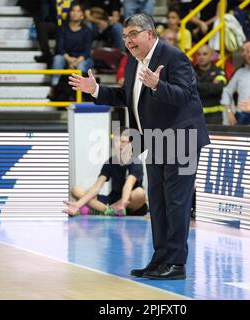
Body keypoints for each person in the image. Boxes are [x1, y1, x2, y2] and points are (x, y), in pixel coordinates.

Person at [68, 13, 210, 280]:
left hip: (181, 139)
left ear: (150, 34)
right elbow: (126, 96)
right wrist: (96, 90)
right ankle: (160, 260)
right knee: (157, 202)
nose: (128, 40)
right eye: (125, 36)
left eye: (133, 34)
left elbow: (185, 96)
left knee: (177, 202)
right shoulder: (133, 63)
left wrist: (158, 86)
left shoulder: (173, 56)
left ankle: (176, 264)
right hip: (154, 140)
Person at [63, 127, 148, 217]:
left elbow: (128, 185)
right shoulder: (111, 161)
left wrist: (123, 203)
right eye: (116, 141)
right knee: (76, 190)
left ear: (130, 144)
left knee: (140, 193)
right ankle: (108, 211)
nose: (119, 145)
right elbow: (97, 187)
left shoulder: (136, 162)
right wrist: (77, 204)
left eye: (123, 142)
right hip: (112, 199)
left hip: (128, 203)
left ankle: (101, 210)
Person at [194, 44, 227, 124]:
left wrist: (196, 85)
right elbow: (188, 89)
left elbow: (218, 89)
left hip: (215, 117)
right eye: (199, 54)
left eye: (205, 54)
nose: (201, 57)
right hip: (195, 116)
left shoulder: (219, 71)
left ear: (211, 55)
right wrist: (210, 84)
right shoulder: (190, 71)